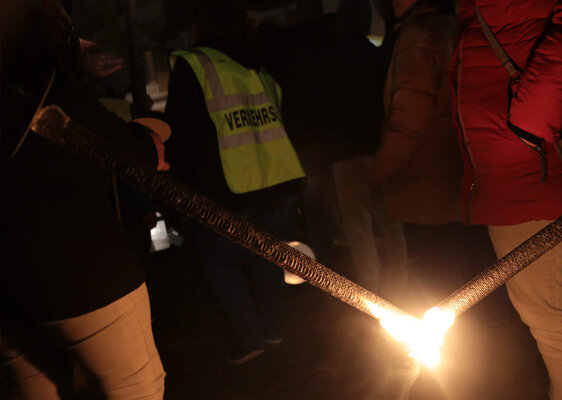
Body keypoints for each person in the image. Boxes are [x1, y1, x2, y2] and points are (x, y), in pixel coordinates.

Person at [451, 1, 562, 398]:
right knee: (550, 311)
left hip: (535, 159)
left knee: (553, 314)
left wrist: (530, 124)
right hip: (519, 159)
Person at [0, 1, 167, 398]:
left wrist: (71, 56)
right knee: (135, 387)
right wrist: (152, 137)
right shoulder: (49, 99)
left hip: (9, 281)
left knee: (32, 390)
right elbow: (138, 157)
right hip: (83, 277)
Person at [163, 0, 305, 365]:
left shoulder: (195, 65)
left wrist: (181, 190)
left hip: (221, 187)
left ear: (201, 25)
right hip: (269, 180)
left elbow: (182, 135)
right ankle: (273, 332)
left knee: (219, 262)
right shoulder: (257, 65)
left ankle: (251, 338)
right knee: (268, 258)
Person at [307, 0, 407, 293]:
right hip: (380, 148)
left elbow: (320, 111)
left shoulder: (326, 61)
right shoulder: (377, 57)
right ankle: (398, 280)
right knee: (391, 222)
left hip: (345, 154)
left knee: (358, 225)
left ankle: (370, 287)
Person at [369, 0, 462, 307]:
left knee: (434, 284)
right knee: (457, 274)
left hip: (424, 180)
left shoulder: (419, 37)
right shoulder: (451, 28)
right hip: (451, 172)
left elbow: (409, 120)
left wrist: (381, 171)